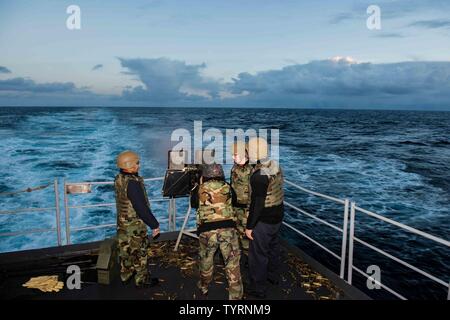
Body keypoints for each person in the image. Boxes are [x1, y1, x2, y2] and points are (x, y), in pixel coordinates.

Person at [196, 163, 243, 300]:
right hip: (227, 230)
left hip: (207, 231)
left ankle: (204, 286)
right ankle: (235, 297)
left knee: (206, 259)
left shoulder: (199, 188)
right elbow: (234, 201)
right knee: (232, 263)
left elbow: (194, 204)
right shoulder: (228, 187)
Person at [245, 137, 284, 298]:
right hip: (278, 215)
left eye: (248, 150)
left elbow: (257, 203)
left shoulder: (258, 175)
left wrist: (249, 226)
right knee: (273, 248)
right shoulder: (274, 165)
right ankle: (273, 276)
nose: (246, 152)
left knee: (258, 255)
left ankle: (258, 288)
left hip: (264, 220)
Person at [114, 150, 160, 288]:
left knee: (125, 250)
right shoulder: (133, 183)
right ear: (130, 165)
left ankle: (126, 275)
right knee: (140, 252)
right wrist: (154, 224)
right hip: (134, 226)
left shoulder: (119, 178)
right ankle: (142, 280)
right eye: (137, 163)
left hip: (122, 223)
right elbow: (141, 208)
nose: (138, 165)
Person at [230, 141, 253, 257]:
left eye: (235, 155)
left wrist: (250, 211)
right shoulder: (235, 167)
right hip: (235, 207)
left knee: (246, 236)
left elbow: (253, 193)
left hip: (246, 210)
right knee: (236, 232)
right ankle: (239, 256)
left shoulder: (251, 170)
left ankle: (250, 259)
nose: (232, 157)